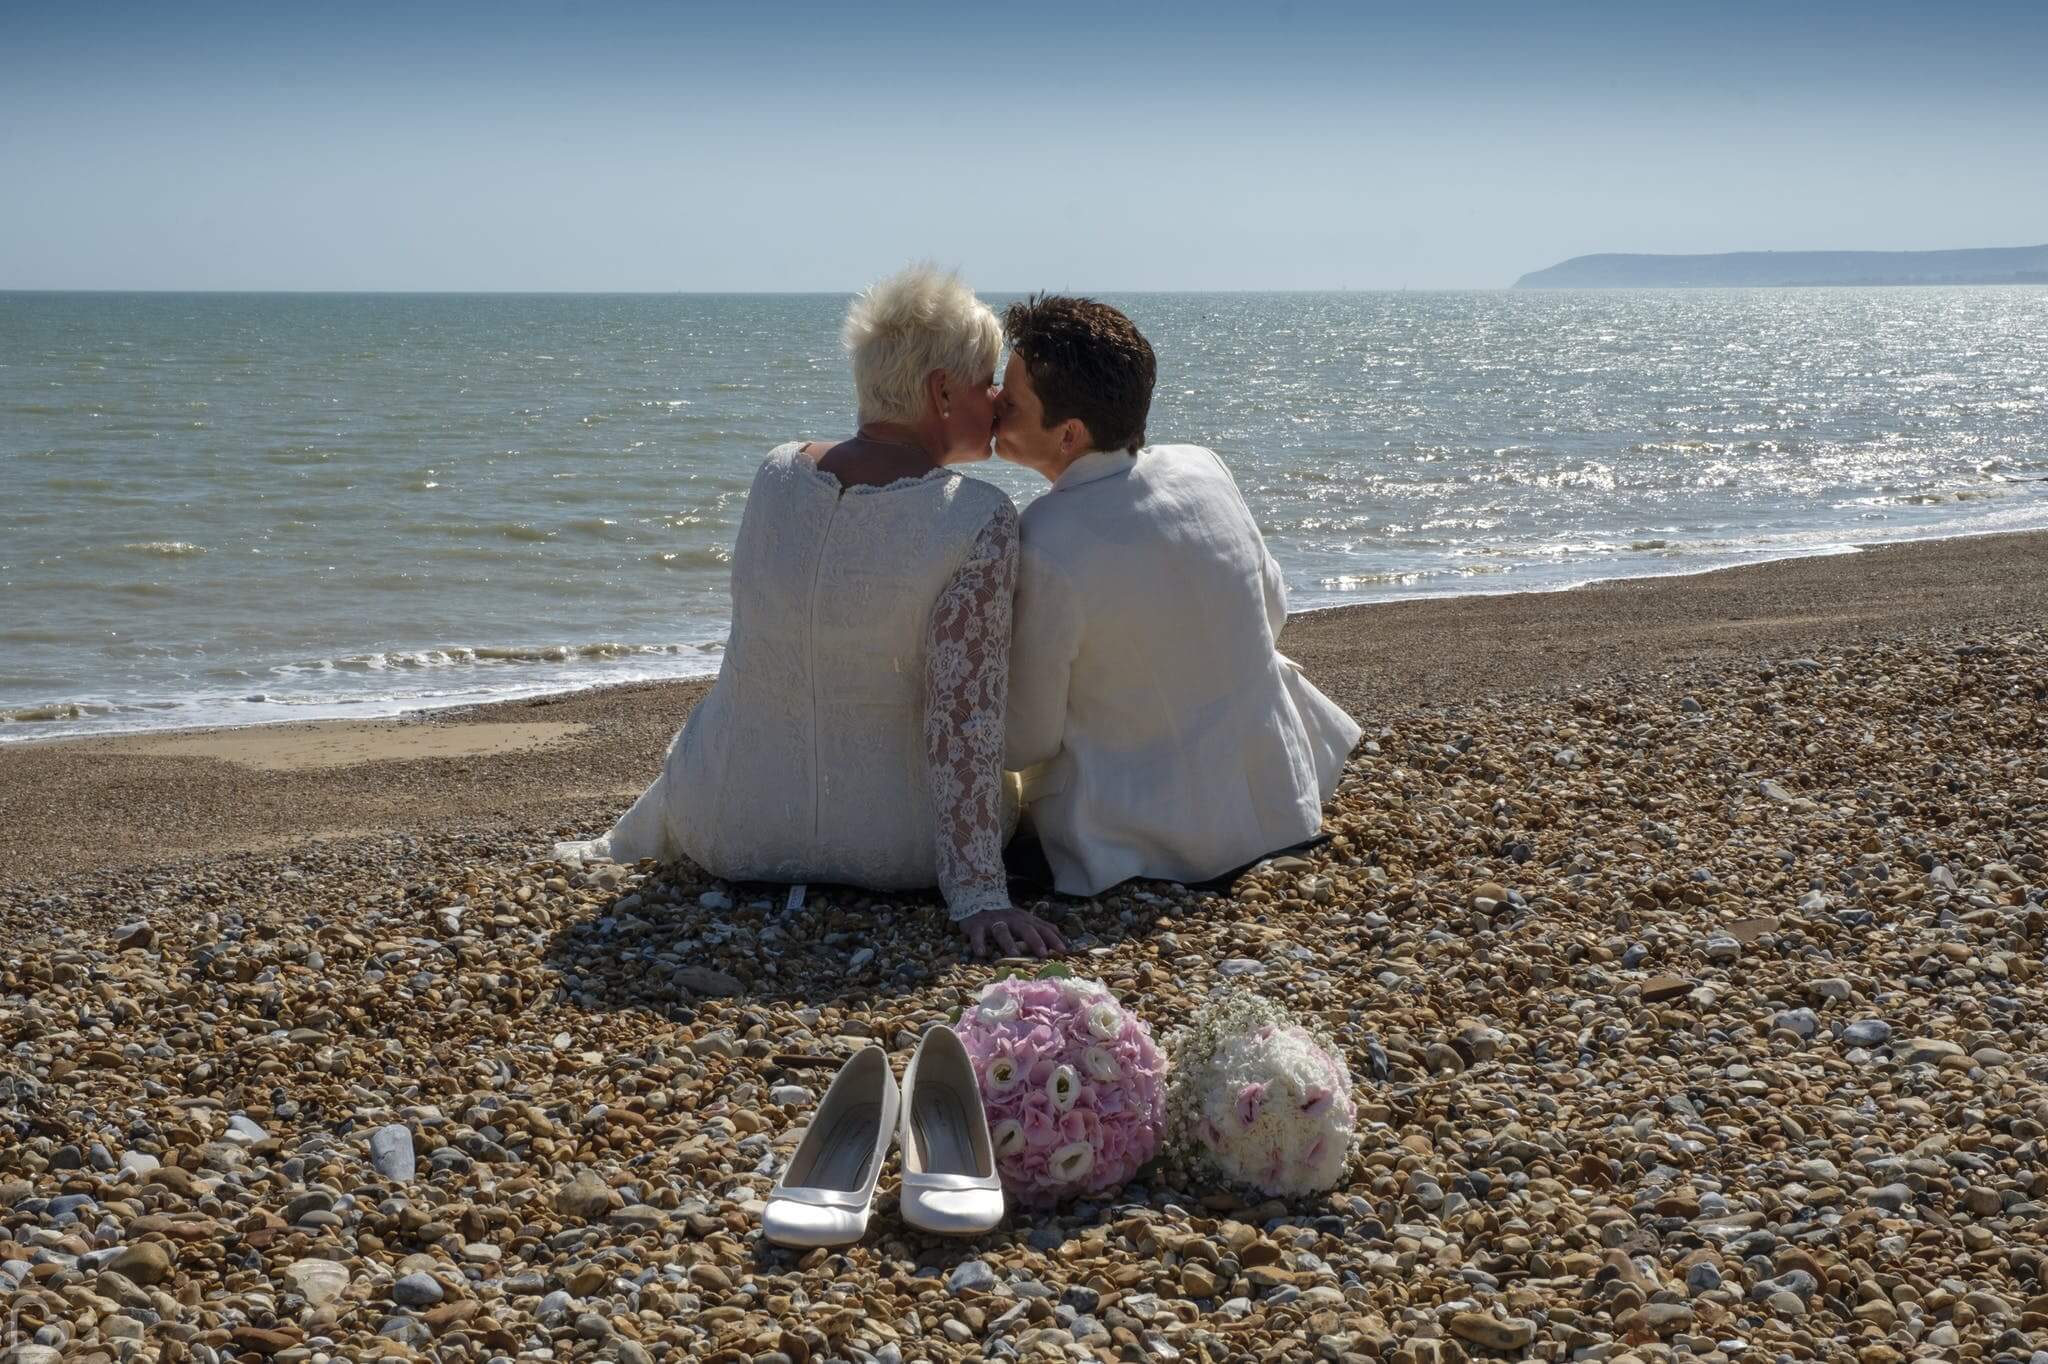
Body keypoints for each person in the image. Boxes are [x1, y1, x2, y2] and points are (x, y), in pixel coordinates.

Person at [557, 266, 1065, 959]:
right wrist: (979, 894)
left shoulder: (776, 473)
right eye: (985, 383)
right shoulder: (980, 516)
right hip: (902, 849)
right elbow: (964, 714)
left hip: (729, 830)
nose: (1000, 400)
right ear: (942, 391)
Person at [994, 295, 1361, 896]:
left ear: (1068, 433)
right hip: (1280, 805)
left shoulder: (1042, 541)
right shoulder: (1203, 467)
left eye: (1009, 402)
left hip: (1148, 847)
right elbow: (1272, 613)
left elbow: (1026, 739)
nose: (992, 409)